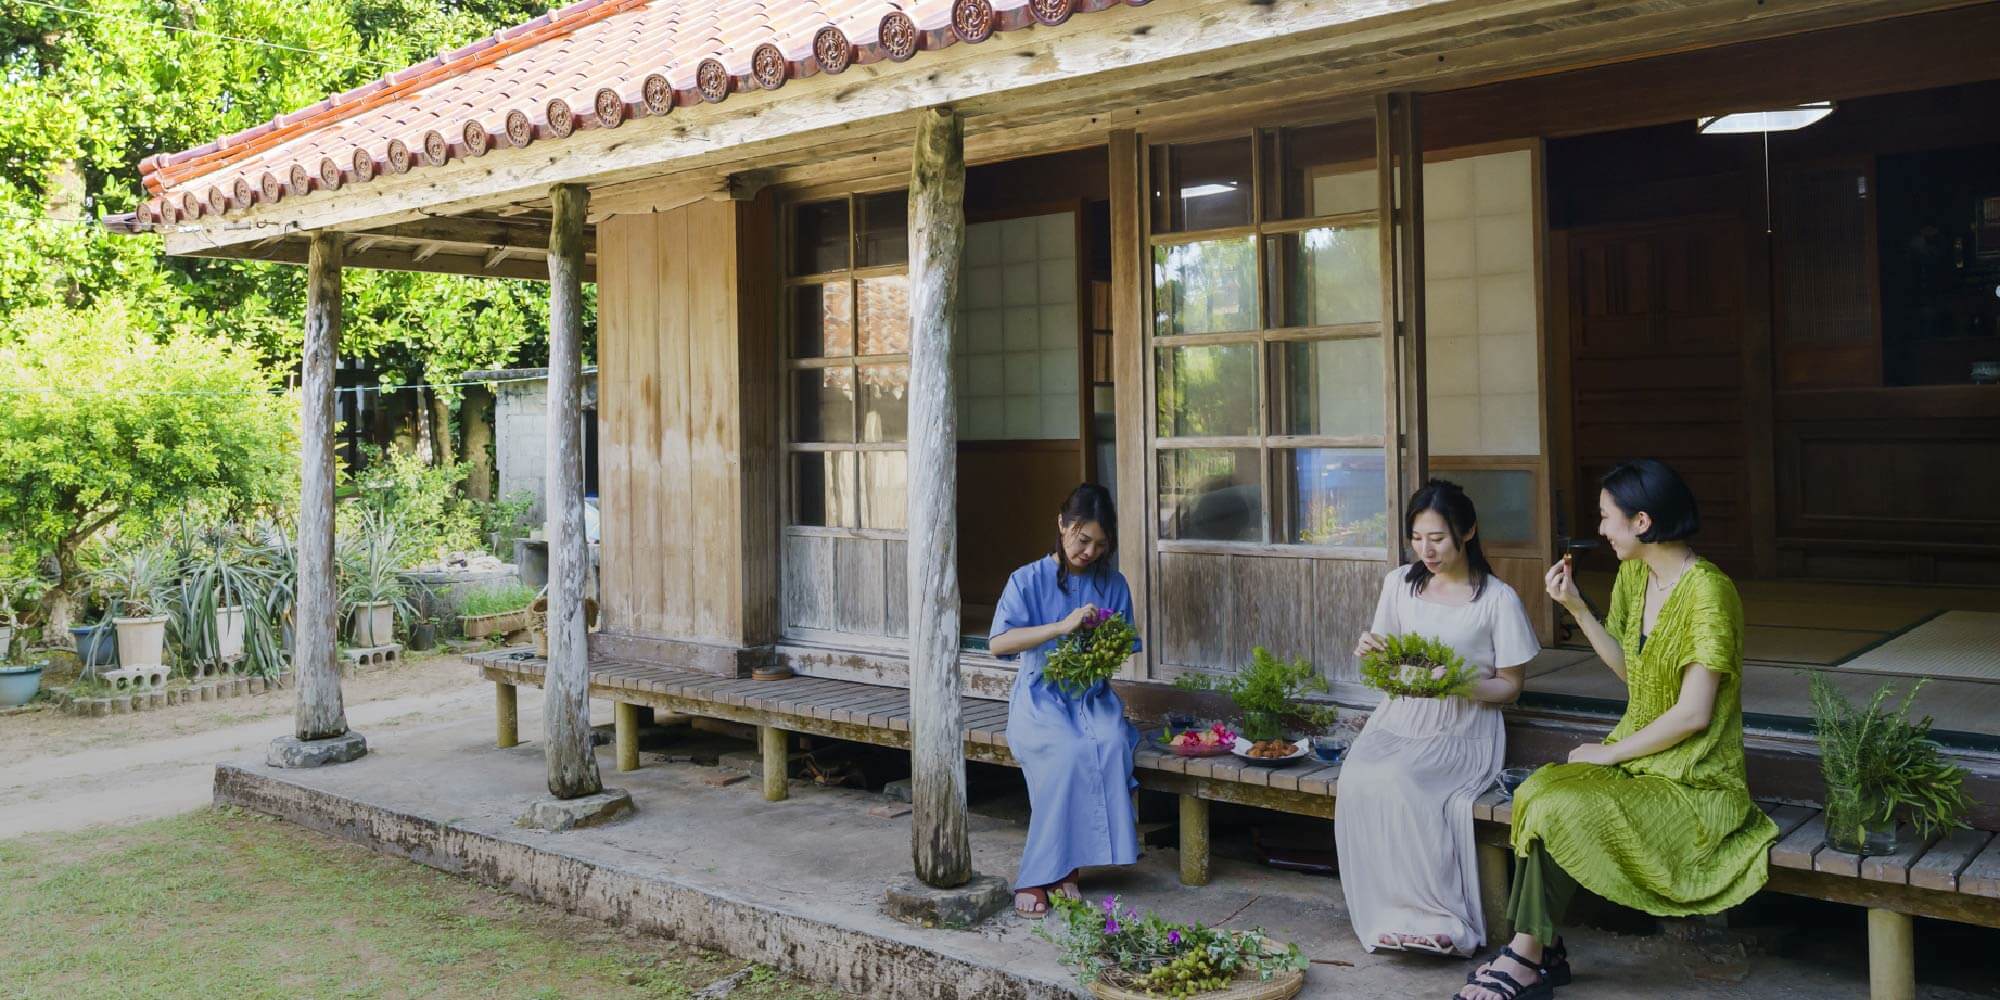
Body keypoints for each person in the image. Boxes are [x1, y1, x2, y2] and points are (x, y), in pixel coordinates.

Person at [1455, 459, 1778, 1000]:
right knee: (1539, 790)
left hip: (1696, 776)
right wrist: (1577, 608)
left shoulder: (1709, 594)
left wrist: (1611, 755)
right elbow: (1633, 671)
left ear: (1643, 522)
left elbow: (1695, 713)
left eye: (1607, 518)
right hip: (1640, 753)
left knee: (1565, 805)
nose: (1600, 529)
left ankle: (1525, 955)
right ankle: (1540, 947)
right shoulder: (1636, 575)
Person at [1339, 479, 1540, 957]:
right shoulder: (1399, 584)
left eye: (1437, 538)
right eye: (1416, 538)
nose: (1425, 550)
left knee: (1403, 780)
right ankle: (1391, 914)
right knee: (1360, 778)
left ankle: (1436, 915)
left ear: (1467, 532)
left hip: (1464, 726)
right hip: (1400, 718)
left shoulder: (1497, 598)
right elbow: (1387, 666)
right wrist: (1371, 652)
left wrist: (1458, 683)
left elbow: (1510, 687)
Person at [990, 483, 1141, 918]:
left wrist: (1104, 640)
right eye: (1081, 538)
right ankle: (1043, 874)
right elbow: (999, 643)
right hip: (1040, 698)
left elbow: (1125, 644)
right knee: (1066, 752)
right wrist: (1061, 627)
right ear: (1061, 525)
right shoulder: (1026, 579)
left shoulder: (1113, 584)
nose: (1089, 551)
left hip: (1091, 697)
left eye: (1100, 544)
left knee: (1111, 743)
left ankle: (1067, 867)